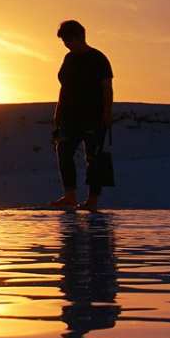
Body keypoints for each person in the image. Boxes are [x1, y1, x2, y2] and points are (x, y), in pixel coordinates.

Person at [49, 20, 114, 210]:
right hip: (70, 116)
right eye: (64, 42)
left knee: (94, 157)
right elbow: (64, 86)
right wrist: (58, 110)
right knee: (63, 151)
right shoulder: (69, 59)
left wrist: (107, 112)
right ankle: (70, 195)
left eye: (68, 41)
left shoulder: (98, 58)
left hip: (93, 116)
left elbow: (107, 88)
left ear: (79, 37)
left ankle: (92, 200)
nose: (67, 45)